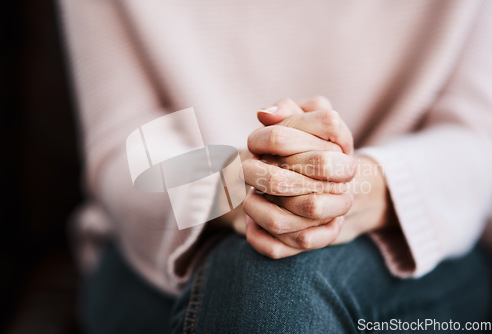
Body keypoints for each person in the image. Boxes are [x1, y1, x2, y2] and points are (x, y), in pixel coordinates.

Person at [60, 0, 492, 332]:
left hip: (422, 242)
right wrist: (232, 187)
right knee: (260, 281)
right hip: (160, 247)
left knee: (269, 285)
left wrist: (355, 186)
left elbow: (476, 139)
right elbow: (124, 144)